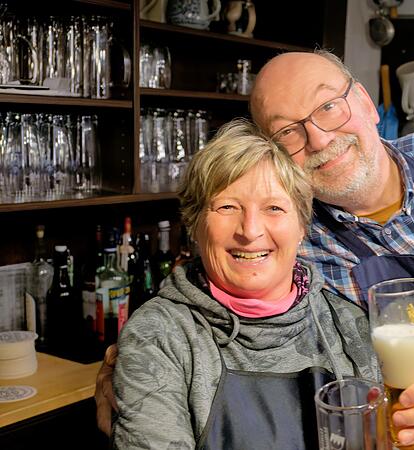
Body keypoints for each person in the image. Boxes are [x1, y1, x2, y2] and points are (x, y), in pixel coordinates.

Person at [97, 51, 414, 449]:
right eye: (288, 131)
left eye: (328, 107)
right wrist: (136, 369)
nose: (319, 139)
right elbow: (215, 282)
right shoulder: (293, 233)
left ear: (363, 101)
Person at [109, 119, 379, 449]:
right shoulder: (159, 335)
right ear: (194, 225)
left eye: (274, 208)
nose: (250, 231)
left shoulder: (349, 323)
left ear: (301, 226)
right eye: (227, 207)